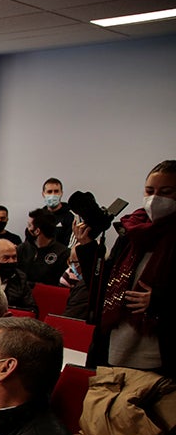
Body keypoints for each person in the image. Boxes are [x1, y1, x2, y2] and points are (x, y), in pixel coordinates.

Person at [74, 159, 176, 376]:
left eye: (165, 192)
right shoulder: (131, 231)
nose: (155, 198)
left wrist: (159, 300)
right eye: (149, 191)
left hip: (158, 355)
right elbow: (104, 284)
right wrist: (88, 247)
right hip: (113, 345)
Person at [18, 208, 69, 285]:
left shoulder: (63, 253)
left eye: (29, 225)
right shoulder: (22, 248)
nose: (27, 229)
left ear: (37, 231)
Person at [40, 177, 73, 245]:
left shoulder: (71, 216)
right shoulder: (38, 216)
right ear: (43, 194)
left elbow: (71, 244)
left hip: (64, 254)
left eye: (56, 191)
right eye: (49, 192)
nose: (53, 195)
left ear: (61, 193)